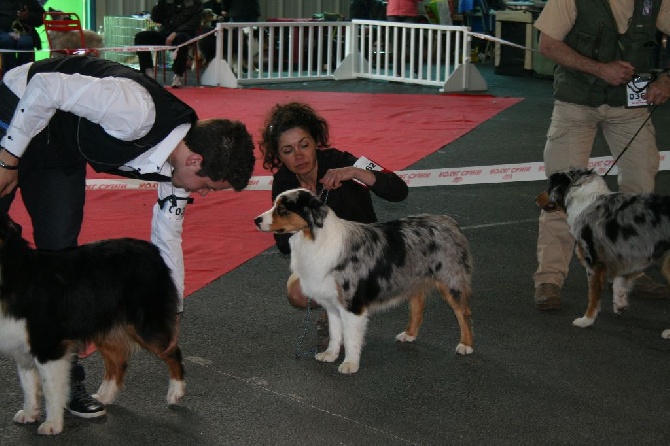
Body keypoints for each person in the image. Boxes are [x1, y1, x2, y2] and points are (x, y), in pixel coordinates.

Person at [0, 55, 255, 418]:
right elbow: (44, 88)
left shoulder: (179, 168)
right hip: (17, 105)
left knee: (61, 259)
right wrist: (9, 160)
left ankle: (66, 381)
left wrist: (171, 308)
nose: (204, 194)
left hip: (62, 149)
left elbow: (167, 238)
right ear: (196, 161)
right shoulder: (137, 111)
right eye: (209, 187)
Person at [532, 0, 670, 311]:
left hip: (630, 108)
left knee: (641, 190)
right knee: (561, 194)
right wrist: (599, 69)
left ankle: (630, 271)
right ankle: (549, 278)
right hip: (575, 104)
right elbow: (548, 45)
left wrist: (666, 79)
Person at [258, 102, 409, 309]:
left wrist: (356, 173)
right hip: (324, 260)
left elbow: (399, 191)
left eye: (304, 145)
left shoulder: (342, 160)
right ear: (278, 155)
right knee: (299, 294)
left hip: (365, 250)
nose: (299, 156)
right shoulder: (284, 182)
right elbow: (283, 244)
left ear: (316, 142)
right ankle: (335, 307)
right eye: (288, 150)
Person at [135, 0, 203, 88]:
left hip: (184, 34)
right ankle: (148, 72)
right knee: (141, 37)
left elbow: (194, 23)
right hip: (165, 33)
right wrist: (160, 3)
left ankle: (178, 75)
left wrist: (176, 33)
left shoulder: (195, 3)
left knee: (182, 41)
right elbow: (156, 18)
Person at [0, 0, 44, 74]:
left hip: (25, 32)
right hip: (3, 31)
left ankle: (23, 74)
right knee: (7, 41)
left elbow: (41, 18)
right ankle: (8, 75)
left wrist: (28, 15)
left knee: (25, 43)